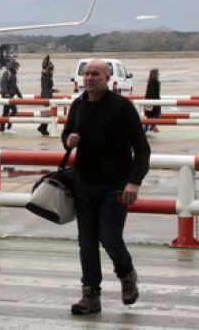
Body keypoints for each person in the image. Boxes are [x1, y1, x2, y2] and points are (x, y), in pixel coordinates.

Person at [61, 59, 150, 315]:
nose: (89, 78)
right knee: (86, 242)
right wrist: (68, 140)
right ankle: (90, 295)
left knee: (109, 237)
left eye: (95, 74)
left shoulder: (122, 107)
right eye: (87, 74)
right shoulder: (78, 105)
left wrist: (134, 181)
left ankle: (126, 274)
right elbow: (66, 136)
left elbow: (142, 149)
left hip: (116, 185)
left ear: (107, 78)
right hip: (84, 183)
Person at [0, 60, 22, 133]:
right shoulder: (7, 73)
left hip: (10, 96)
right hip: (7, 96)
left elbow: (15, 86)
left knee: (5, 112)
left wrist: (19, 94)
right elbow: (2, 83)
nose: (18, 68)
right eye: (17, 67)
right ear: (13, 66)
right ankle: (9, 127)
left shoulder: (14, 74)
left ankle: (2, 128)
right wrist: (6, 93)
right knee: (14, 110)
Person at [37, 65, 55, 136]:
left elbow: (47, 87)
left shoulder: (46, 76)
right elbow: (46, 88)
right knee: (46, 113)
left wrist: (53, 90)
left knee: (47, 113)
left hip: (46, 95)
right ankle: (42, 128)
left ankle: (43, 128)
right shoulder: (46, 77)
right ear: (50, 70)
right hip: (46, 96)